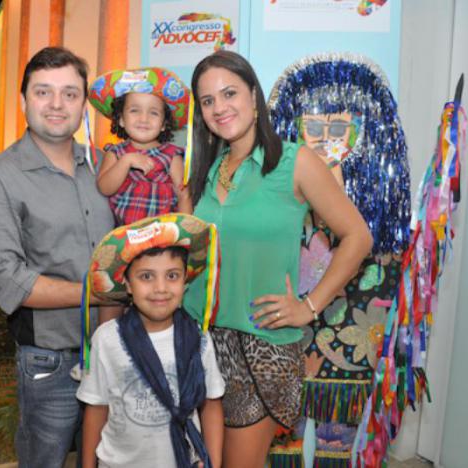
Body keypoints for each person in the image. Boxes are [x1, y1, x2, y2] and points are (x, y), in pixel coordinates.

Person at [182, 50, 373, 468]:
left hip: (260, 347)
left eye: (229, 93)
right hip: (199, 342)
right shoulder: (204, 171)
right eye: (208, 100)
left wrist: (309, 306)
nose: (219, 107)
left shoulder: (294, 162)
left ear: (253, 95)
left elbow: (358, 237)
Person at [0, 46, 115, 468]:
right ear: (23, 101)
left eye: (70, 94)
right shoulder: (1, 176)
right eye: (43, 92)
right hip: (50, 362)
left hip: (117, 355)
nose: (56, 104)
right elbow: (0, 278)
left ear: (84, 105)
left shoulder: (105, 168)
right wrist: (95, 294)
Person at [266, 54, 411, 468]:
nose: (325, 139)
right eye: (313, 128)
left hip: (355, 316)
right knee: (282, 426)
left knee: (338, 433)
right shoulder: (280, 182)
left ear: (362, 131)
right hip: (289, 316)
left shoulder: (380, 200)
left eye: (338, 128)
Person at [77, 214, 225, 468]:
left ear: (185, 280)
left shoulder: (199, 339)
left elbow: (210, 403)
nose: (160, 288)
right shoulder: (107, 338)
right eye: (146, 276)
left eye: (172, 276)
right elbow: (97, 408)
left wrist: (213, 462)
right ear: (127, 284)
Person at [88, 67, 193, 225]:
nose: (144, 119)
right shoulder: (116, 153)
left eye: (153, 113)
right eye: (134, 110)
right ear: (121, 119)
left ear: (164, 124)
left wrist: (185, 231)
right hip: (124, 234)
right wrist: (126, 161)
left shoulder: (172, 155)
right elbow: (104, 188)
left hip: (163, 233)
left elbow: (184, 195)